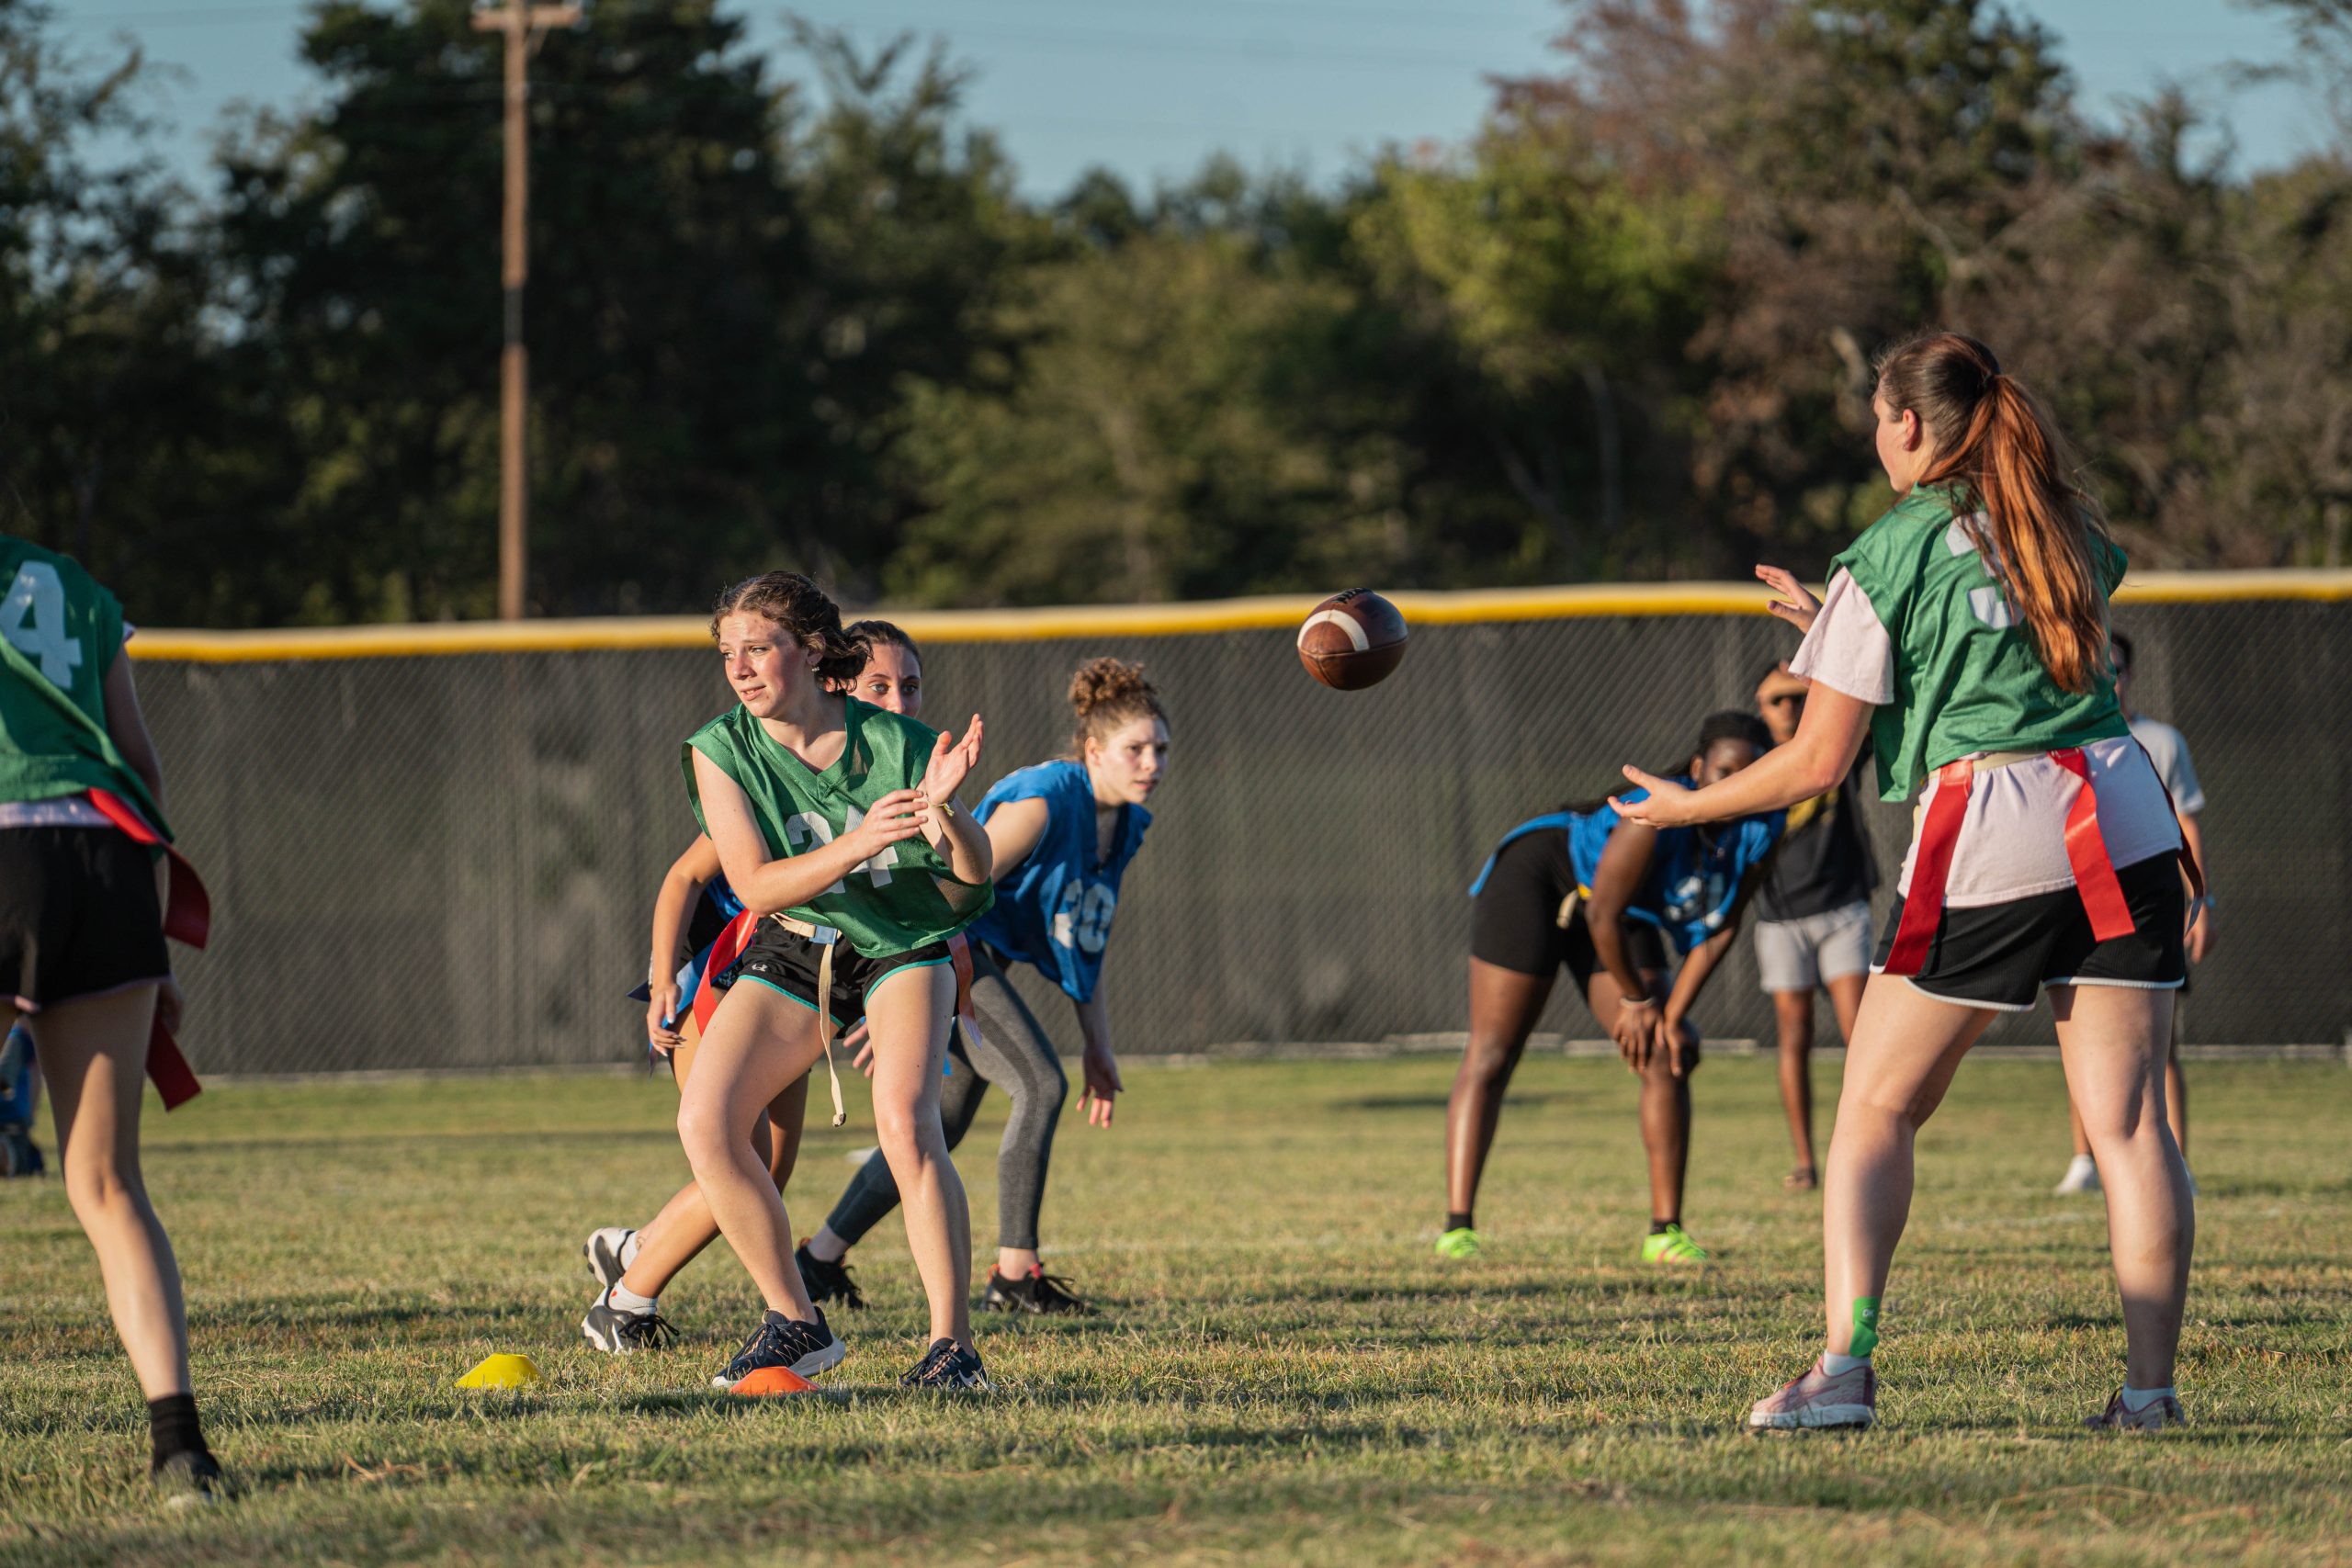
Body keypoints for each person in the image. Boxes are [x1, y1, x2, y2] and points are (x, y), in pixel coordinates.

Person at [1615, 332, 2199, 1433]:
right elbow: (2009, 644)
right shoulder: (2063, 521)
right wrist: (1830, 628)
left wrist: (1679, 806)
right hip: (2119, 812)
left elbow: (1817, 762)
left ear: (1910, 426)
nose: (1876, 437)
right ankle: (2149, 1395)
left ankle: (1844, 1372)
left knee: (1876, 1108)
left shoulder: (1892, 547)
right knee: (2128, 1129)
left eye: (1878, 419)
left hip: (1995, 823)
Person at [673, 574, 997, 1390]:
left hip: (897, 940)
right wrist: (861, 842)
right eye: (728, 653)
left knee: (907, 1124)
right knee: (708, 1122)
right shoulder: (720, 748)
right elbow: (753, 885)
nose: (740, 668)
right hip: (797, 942)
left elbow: (973, 880)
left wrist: (948, 815)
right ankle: (796, 1320)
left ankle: (952, 1348)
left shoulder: (900, 742)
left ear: (812, 649)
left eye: (759, 647)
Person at [578, 621, 924, 1351]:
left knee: (769, 1163)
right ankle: (628, 1291)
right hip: (722, 976)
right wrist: (660, 975)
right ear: (835, 688)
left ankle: (634, 1259)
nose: (895, 704)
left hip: (796, 983)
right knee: (731, 1144)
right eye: (877, 688)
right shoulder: (774, 773)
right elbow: (686, 877)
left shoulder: (890, 776)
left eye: (909, 687)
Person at [797, 657, 1167, 1316]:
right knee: (1040, 1084)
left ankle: (818, 1258)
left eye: (1160, 748)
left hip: (975, 960)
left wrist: (1099, 1047)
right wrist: (900, 989)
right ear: (1092, 751)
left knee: (936, 1122)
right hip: (949, 946)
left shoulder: (1128, 824)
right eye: (1134, 749)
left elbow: (1087, 940)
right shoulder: (1048, 797)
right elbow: (956, 882)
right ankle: (1015, 1273)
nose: (1151, 762)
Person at [0, 534, 227, 1497]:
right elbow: (140, 761)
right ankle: (180, 1450)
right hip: (105, 856)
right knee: (107, 1184)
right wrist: (146, 934)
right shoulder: (76, 586)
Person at [1437, 712, 1783, 1265]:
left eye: (1753, 772)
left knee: (1667, 1051)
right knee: (1492, 1051)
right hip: (1541, 877)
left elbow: (1720, 931)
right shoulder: (1655, 813)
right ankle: (1458, 1226)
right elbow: (1601, 913)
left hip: (1619, 913)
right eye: (1724, 770)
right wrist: (1639, 1000)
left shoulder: (1764, 825)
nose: (1736, 783)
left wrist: (1670, 1015)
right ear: (1697, 769)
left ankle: (1664, 1231)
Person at [2054, 630, 2211, 1195]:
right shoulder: (2059, 731)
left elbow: (2186, 822)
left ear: (2130, 673)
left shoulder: (2158, 740)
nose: (2108, 675)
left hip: (2147, 908)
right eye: (2097, 664)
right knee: (2080, 1040)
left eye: (2115, 666)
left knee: (2160, 1046)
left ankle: (2177, 1163)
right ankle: (2083, 1159)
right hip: (2082, 904)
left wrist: (2204, 900)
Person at [1749, 661, 1877, 1191]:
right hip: (1779, 920)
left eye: (1797, 698)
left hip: (1841, 908)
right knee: (1793, 1037)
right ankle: (1805, 1159)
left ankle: (1869, 1150)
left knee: (1862, 1036)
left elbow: (1868, 708)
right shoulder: (1750, 761)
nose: (1787, 709)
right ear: (1759, 707)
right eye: (1776, 700)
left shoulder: (1836, 748)